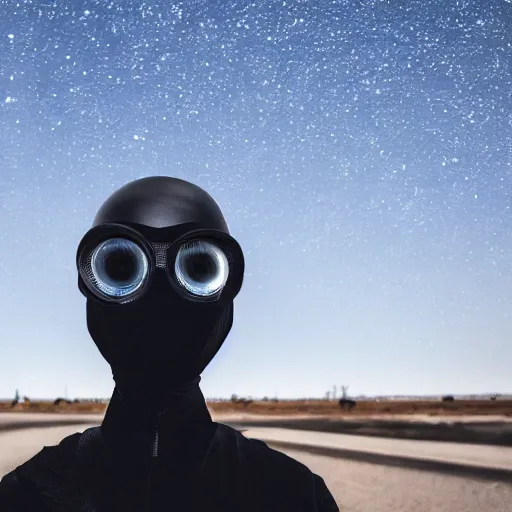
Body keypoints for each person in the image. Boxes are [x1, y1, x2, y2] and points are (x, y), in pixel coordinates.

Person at [0, 176, 339, 511]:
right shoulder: (289, 494)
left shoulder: (28, 494)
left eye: (199, 267)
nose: (159, 304)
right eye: (119, 267)